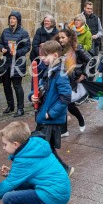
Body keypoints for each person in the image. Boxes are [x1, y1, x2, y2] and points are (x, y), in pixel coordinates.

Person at [0, 122, 71, 204]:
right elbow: (32, 173)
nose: (3, 147)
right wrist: (11, 173)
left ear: (15, 144)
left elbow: (7, 185)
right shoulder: (34, 146)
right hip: (60, 191)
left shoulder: (24, 159)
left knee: (9, 198)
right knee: (19, 185)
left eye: (5, 144)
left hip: (54, 195)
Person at [29, 40, 74, 176]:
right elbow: (40, 89)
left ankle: (64, 169)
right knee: (45, 147)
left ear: (55, 55)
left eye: (45, 56)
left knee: (44, 147)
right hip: (44, 116)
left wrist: (50, 114)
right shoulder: (48, 71)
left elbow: (65, 97)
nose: (42, 58)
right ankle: (61, 169)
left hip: (50, 119)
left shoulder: (60, 73)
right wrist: (32, 96)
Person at [56, 28, 91, 134]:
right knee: (63, 104)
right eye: (59, 38)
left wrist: (84, 74)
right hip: (62, 79)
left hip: (73, 80)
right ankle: (64, 131)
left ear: (69, 38)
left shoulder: (77, 48)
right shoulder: (59, 49)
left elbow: (91, 61)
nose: (61, 40)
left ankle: (80, 119)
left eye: (63, 37)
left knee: (69, 105)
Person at [0, 11, 31, 117]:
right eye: (10, 18)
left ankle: (20, 108)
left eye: (14, 18)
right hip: (6, 62)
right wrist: (2, 48)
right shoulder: (5, 31)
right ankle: (10, 106)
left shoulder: (23, 32)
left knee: (17, 86)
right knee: (6, 85)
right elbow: (0, 42)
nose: (11, 20)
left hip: (17, 63)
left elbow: (27, 47)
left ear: (18, 20)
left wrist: (17, 52)